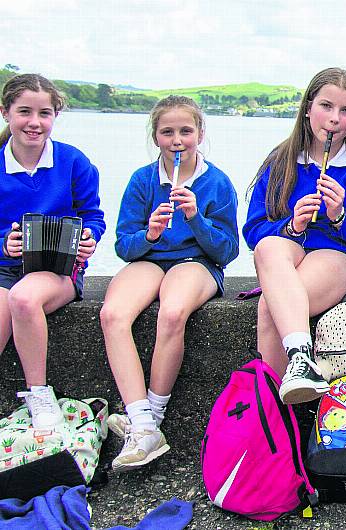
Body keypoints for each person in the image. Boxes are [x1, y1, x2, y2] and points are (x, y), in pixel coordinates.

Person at [100, 95, 239, 471]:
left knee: (172, 311)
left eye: (185, 131)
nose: (177, 141)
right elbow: (123, 246)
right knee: (113, 314)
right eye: (167, 132)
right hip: (151, 259)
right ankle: (140, 419)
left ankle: (152, 419)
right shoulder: (143, 180)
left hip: (197, 263)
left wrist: (195, 218)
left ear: (200, 133)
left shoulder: (217, 182)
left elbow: (227, 251)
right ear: (156, 136)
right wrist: (150, 234)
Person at [243, 67, 346, 404]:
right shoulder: (282, 161)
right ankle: (299, 360)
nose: (334, 119)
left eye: (345, 111)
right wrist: (292, 226)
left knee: (269, 306)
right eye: (326, 106)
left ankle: (275, 414)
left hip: (341, 261)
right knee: (270, 246)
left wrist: (340, 216)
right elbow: (253, 231)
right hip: (290, 257)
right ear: (307, 108)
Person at [0, 74, 104, 429]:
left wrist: (89, 237)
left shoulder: (73, 161)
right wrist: (4, 242)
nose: (34, 122)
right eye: (24, 111)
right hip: (3, 269)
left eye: (44, 113)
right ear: (6, 113)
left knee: (25, 300)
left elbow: (93, 216)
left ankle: (40, 395)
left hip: (57, 269)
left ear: (54, 117)